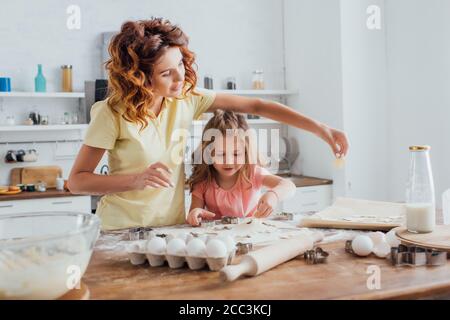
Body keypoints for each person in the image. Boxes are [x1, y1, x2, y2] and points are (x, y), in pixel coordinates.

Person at [68, 18, 349, 231]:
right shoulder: (111, 113)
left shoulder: (186, 99)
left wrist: (322, 129)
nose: (180, 78)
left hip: (171, 227)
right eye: (167, 73)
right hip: (120, 229)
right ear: (140, 77)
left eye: (180, 64)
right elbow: (77, 181)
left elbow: (257, 106)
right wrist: (136, 179)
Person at [186, 110, 296, 226]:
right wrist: (195, 214)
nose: (228, 161)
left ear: (246, 152)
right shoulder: (203, 181)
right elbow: (193, 216)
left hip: (250, 234)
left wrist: (274, 195)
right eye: (221, 154)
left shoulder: (253, 173)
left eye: (236, 154)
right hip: (218, 239)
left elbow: (289, 186)